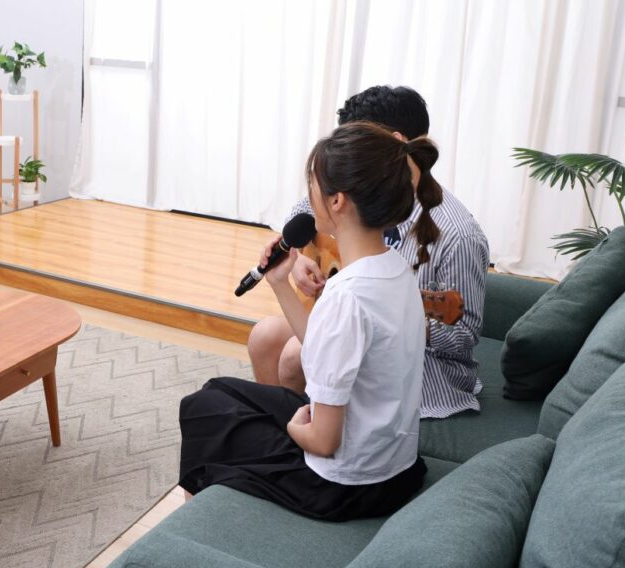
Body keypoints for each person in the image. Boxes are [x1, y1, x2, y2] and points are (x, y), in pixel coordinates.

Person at [178, 122, 440, 520]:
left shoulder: (347, 296)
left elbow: (322, 440)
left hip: (344, 485)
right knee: (221, 390)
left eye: (312, 186)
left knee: (202, 410)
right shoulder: (397, 270)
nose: (308, 197)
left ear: (337, 202)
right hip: (396, 470)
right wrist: (281, 282)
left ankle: (201, 527)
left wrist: (294, 428)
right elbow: (323, 351)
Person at [249, 85, 489, 419]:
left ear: (394, 143)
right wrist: (299, 257)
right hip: (352, 326)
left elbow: (462, 336)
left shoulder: (458, 235)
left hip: (423, 370)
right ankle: (278, 434)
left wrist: (397, 311)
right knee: (264, 337)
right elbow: (306, 210)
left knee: (294, 354)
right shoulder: (360, 188)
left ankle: (308, 443)